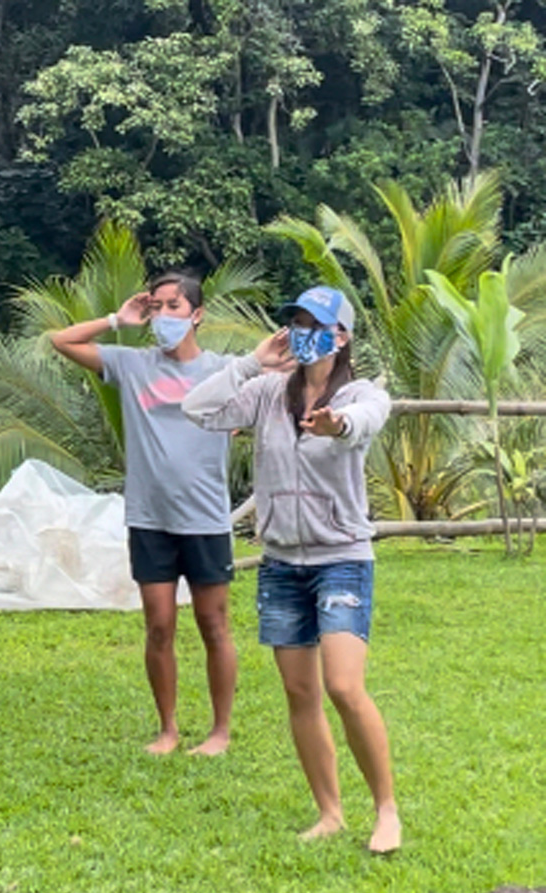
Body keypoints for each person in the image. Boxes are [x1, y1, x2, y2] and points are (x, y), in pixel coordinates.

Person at [182, 285, 400, 853]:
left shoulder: (358, 393)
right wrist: (251, 362)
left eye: (317, 323)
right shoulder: (266, 393)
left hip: (341, 559)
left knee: (344, 686)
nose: (305, 332)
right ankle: (330, 813)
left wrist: (338, 426)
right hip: (281, 563)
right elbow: (196, 408)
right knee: (299, 693)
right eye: (297, 321)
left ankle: (386, 809)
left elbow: (370, 416)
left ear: (342, 335)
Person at [50, 272, 238, 755]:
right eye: (156, 307)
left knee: (214, 624)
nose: (163, 316)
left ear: (197, 315)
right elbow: (60, 340)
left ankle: (220, 731)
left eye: (173, 307)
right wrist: (118, 318)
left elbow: (271, 388)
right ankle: (168, 729)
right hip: (150, 519)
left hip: (206, 519)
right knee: (158, 625)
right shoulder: (132, 365)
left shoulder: (223, 370)